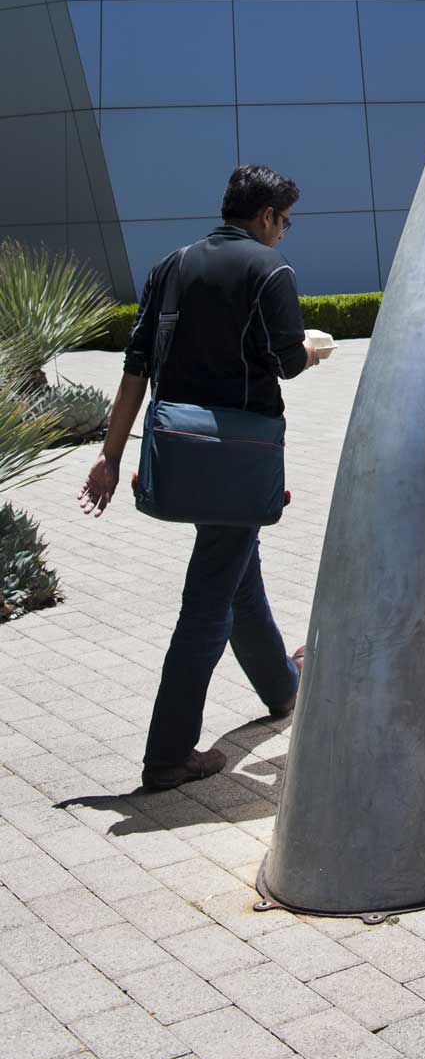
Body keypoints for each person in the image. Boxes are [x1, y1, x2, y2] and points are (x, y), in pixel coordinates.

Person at [79, 166, 324, 791]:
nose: (284, 232)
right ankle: (168, 754)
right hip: (239, 460)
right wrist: (314, 352)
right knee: (210, 598)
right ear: (266, 216)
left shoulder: (171, 266)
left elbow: (136, 368)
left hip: (182, 454)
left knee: (237, 574)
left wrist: (110, 456)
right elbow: (289, 361)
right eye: (285, 221)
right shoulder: (271, 271)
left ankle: (284, 688)